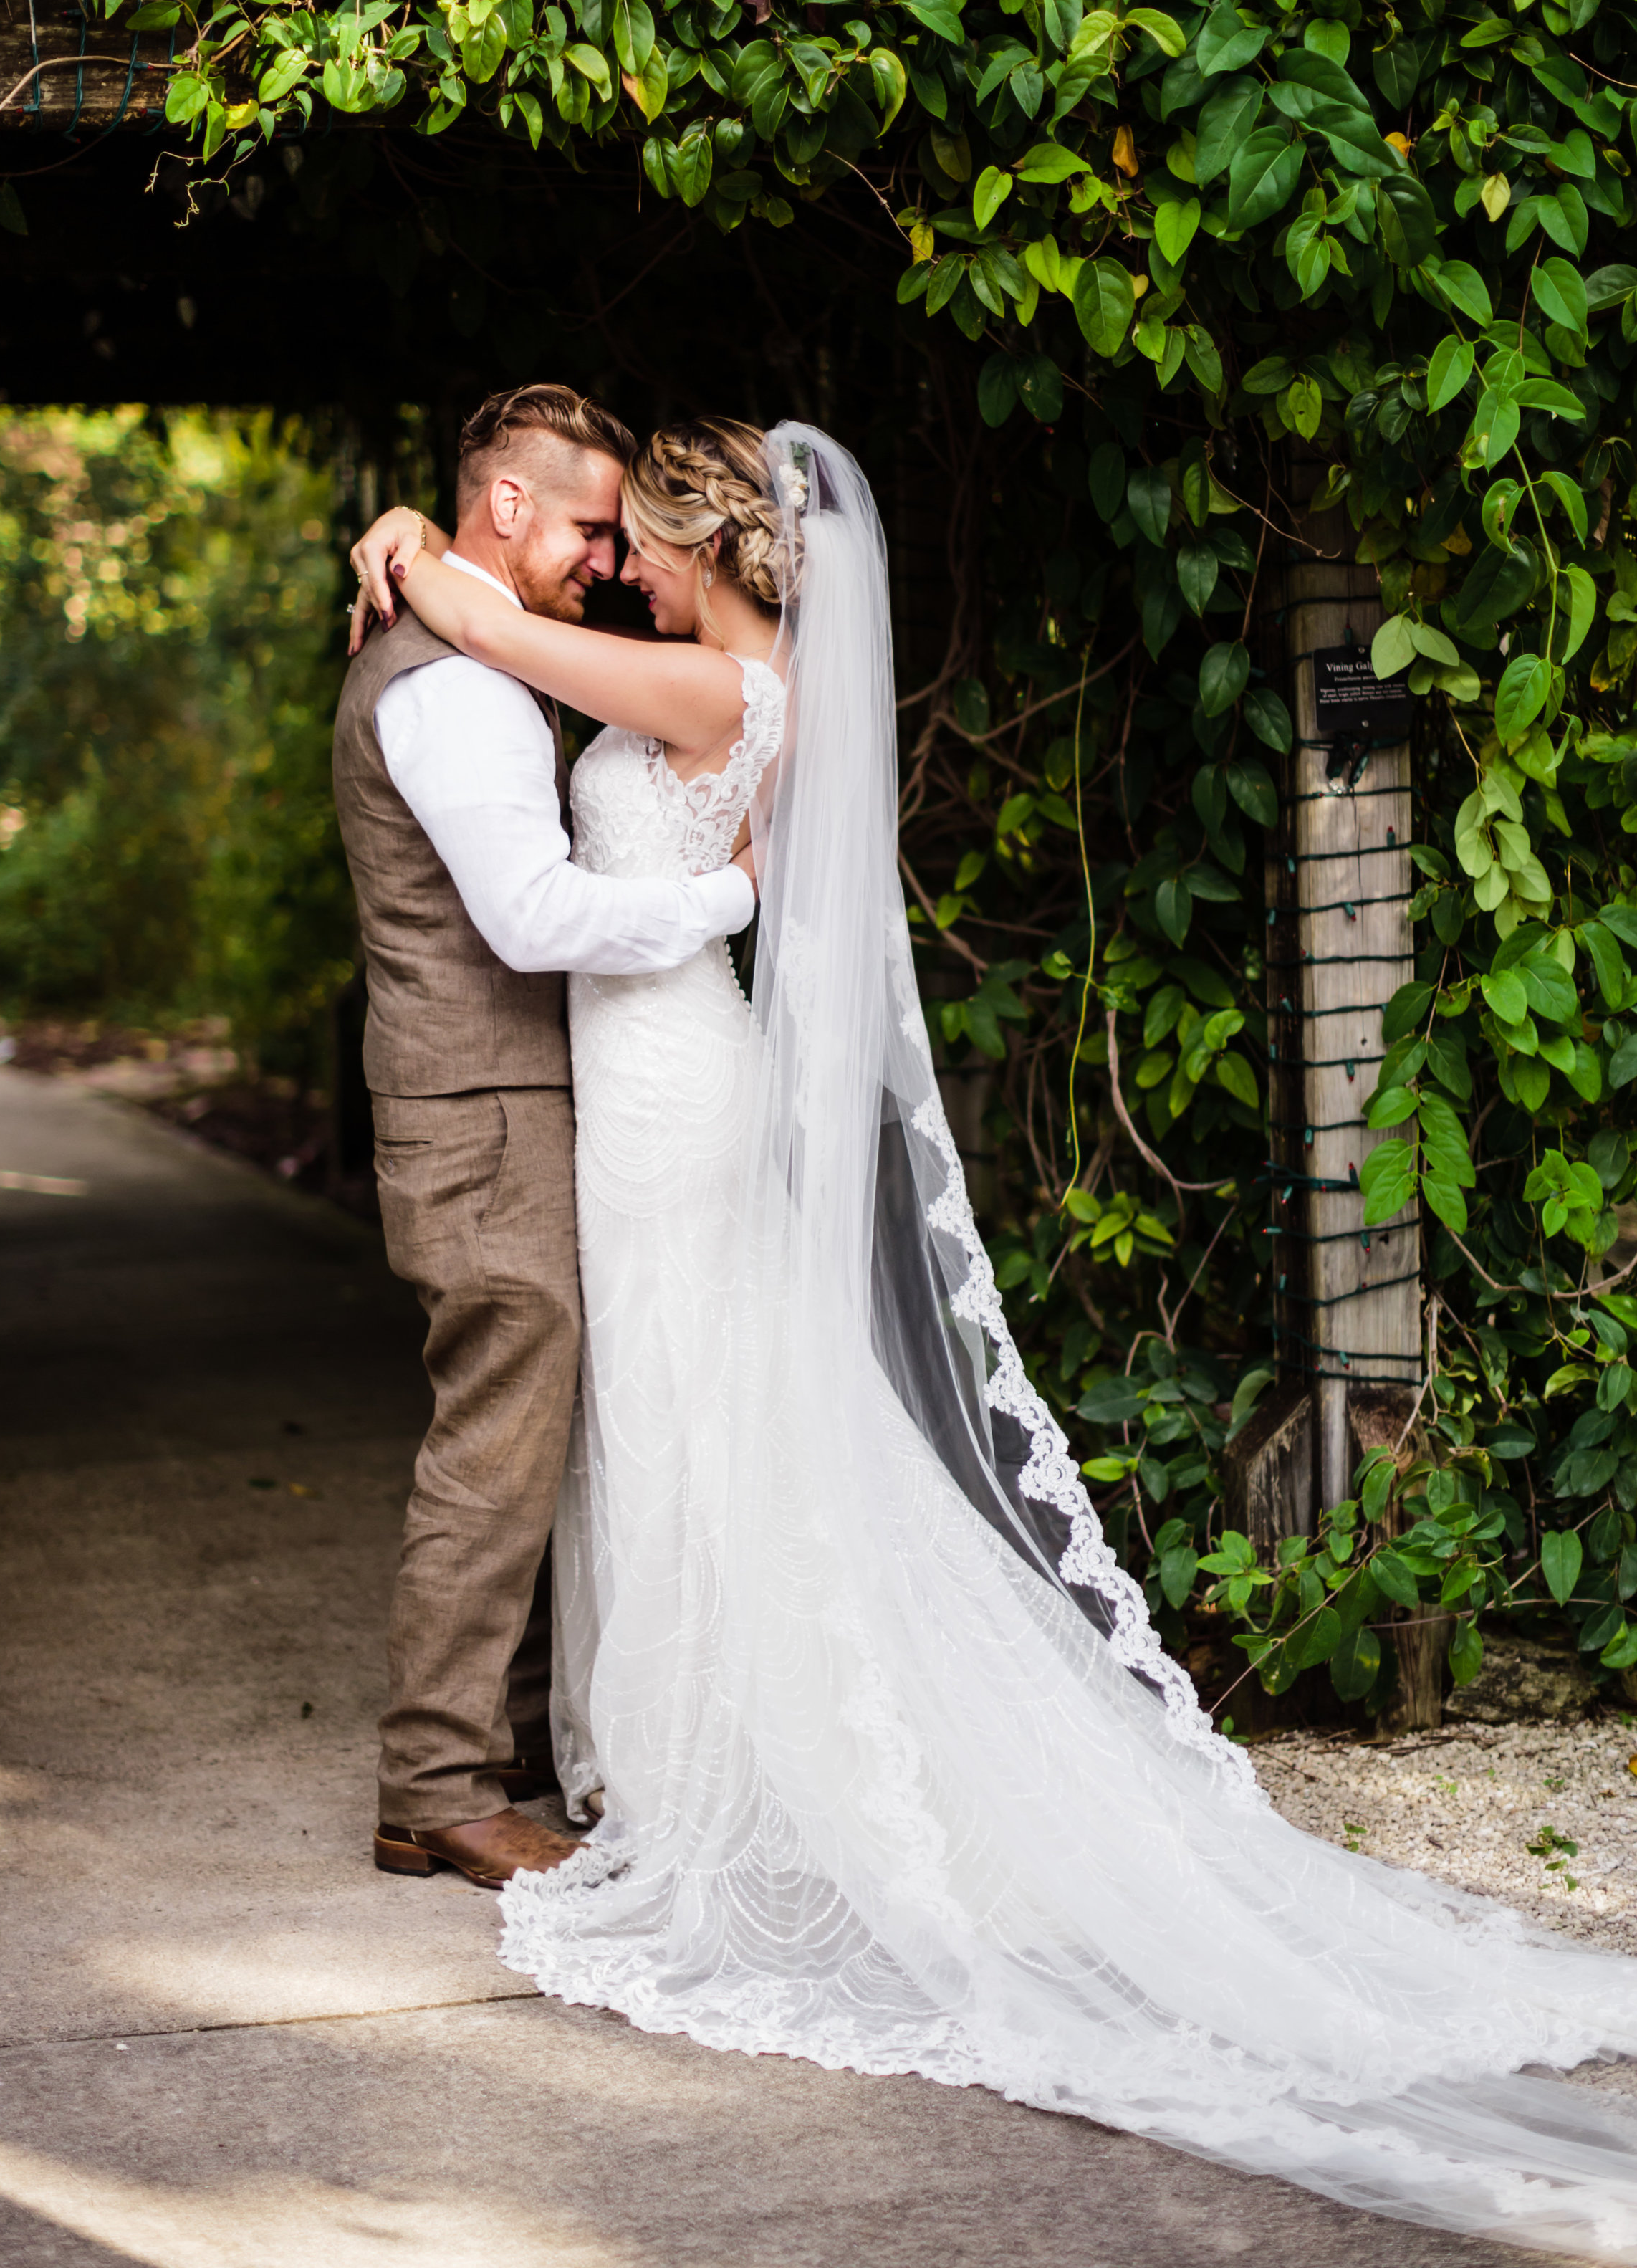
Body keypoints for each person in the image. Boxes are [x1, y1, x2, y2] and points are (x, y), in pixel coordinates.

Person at [351, 418, 1637, 2256]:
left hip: (665, 1084)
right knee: (662, 1412)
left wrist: (408, 556)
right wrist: (419, 539)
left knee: (687, 1413)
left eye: (636, 538)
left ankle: (714, 1768)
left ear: (712, 549)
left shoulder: (716, 685)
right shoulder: (726, 670)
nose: (617, 560)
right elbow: (518, 647)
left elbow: (506, 644)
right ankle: (648, 1753)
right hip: (648, 1076)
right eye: (602, 537)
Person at [332, 384, 755, 1893]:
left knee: (539, 1429)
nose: (601, 558)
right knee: (497, 1438)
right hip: (479, 1113)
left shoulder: (464, 648)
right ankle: (437, 1790)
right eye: (584, 524)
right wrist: (728, 900)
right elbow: (528, 919)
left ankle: (496, 1748)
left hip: (514, 1107)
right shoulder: (451, 685)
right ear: (504, 506)